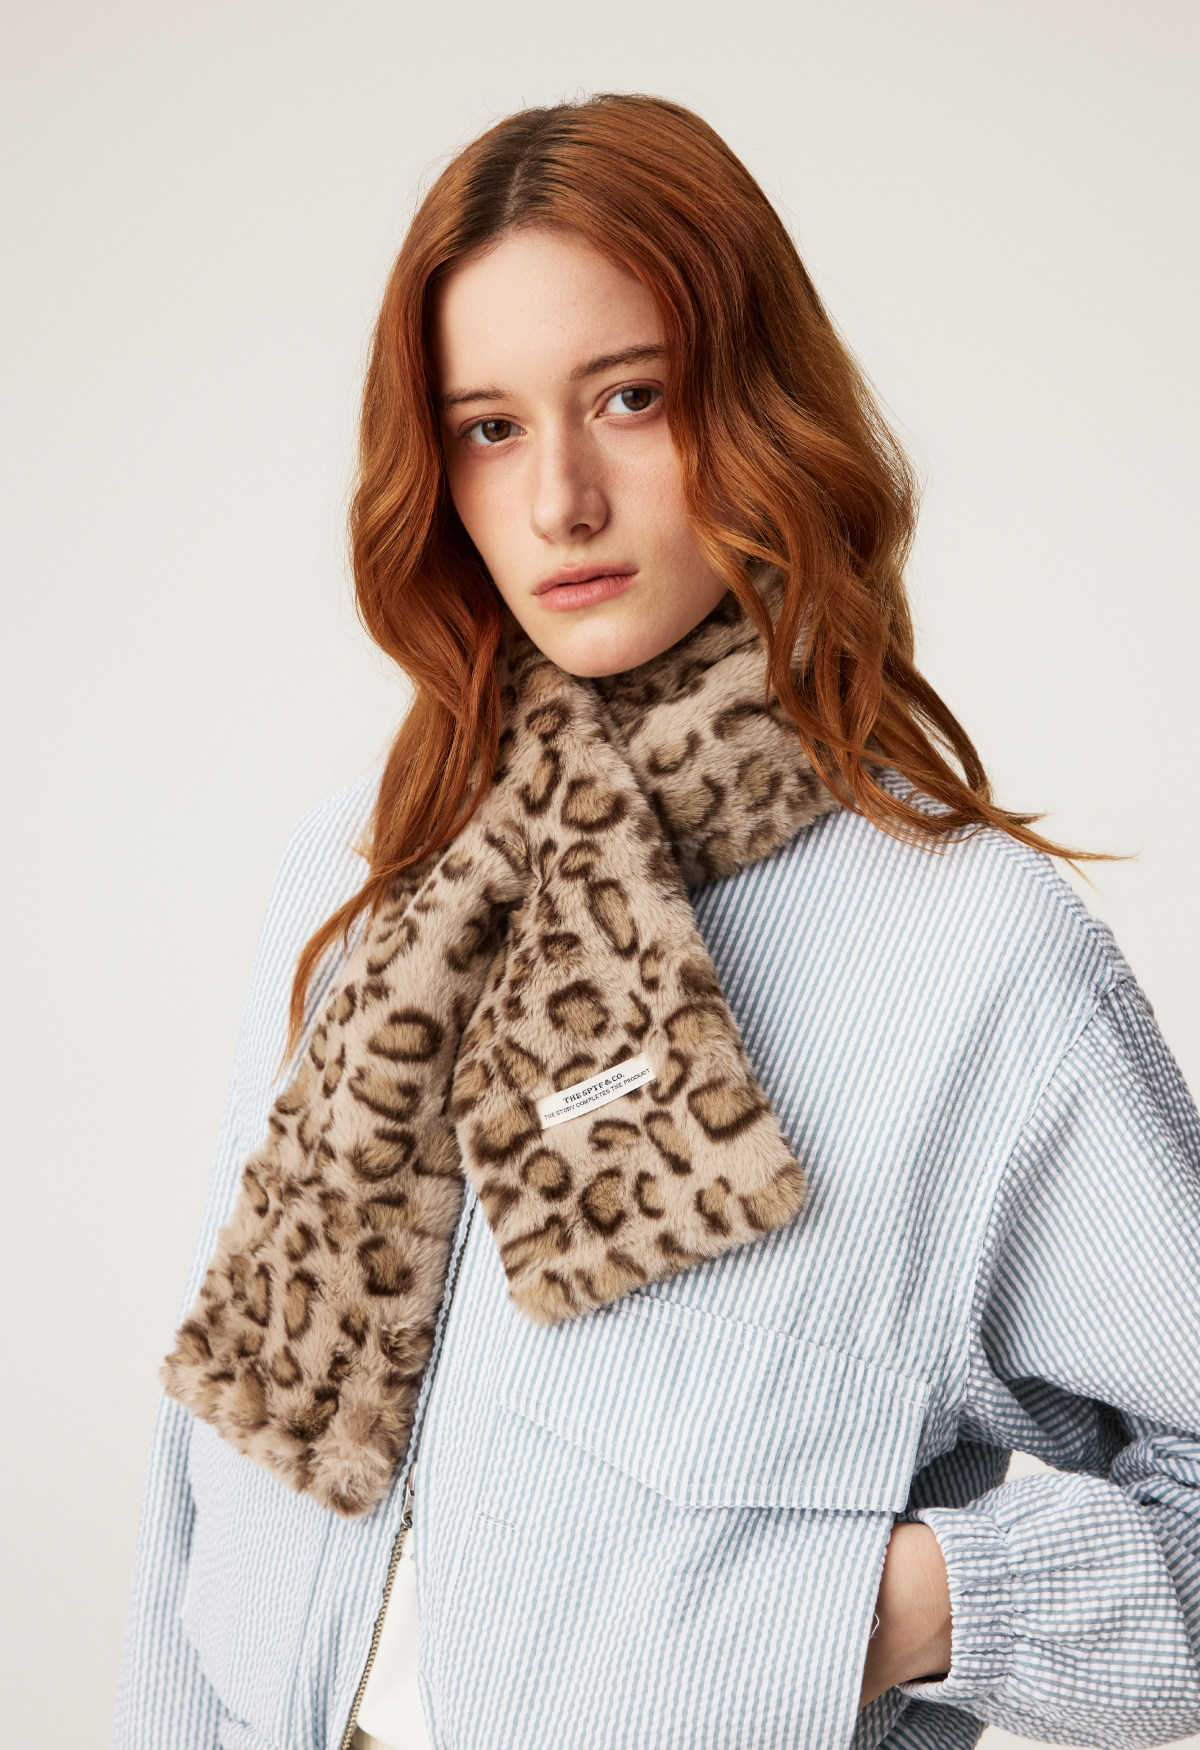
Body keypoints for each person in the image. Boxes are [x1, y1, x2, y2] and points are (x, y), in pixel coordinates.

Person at [112, 94, 1200, 1750]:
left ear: (755, 410)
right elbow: (208, 1483)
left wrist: (902, 1610)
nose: (560, 498)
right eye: (489, 426)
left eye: (631, 397)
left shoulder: (969, 952)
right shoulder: (363, 877)